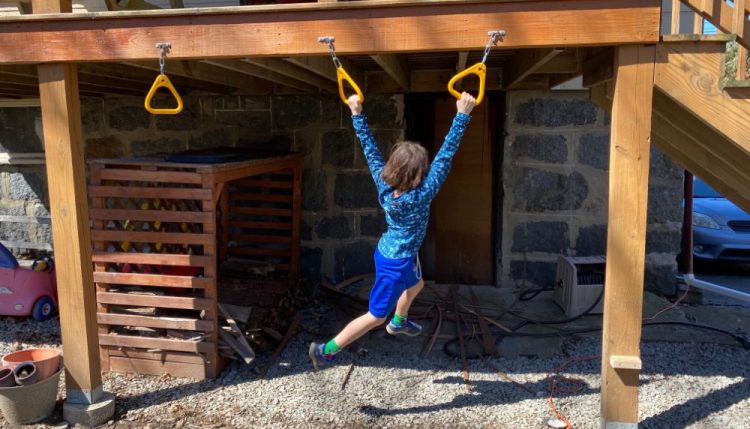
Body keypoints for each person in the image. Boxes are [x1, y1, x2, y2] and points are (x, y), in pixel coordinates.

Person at [309, 92, 476, 369]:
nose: (426, 173)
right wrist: (462, 116)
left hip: (393, 252)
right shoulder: (420, 196)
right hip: (395, 264)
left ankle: (399, 322)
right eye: (422, 171)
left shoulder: (383, 182)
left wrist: (356, 113)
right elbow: (445, 157)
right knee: (375, 316)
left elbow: (370, 149)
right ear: (414, 176)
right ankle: (326, 350)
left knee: (418, 284)